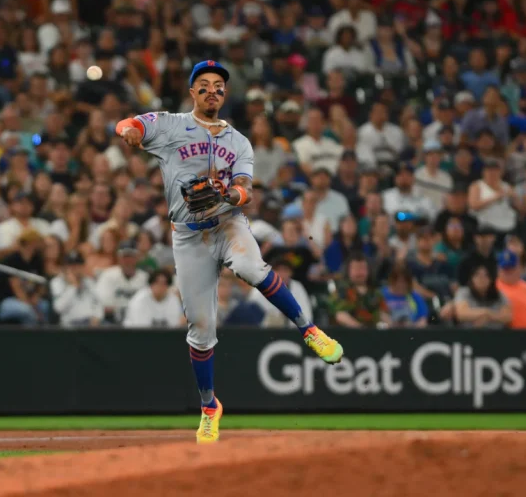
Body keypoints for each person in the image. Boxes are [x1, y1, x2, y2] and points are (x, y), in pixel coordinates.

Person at [115, 60, 343, 444]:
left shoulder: (238, 141)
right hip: (187, 236)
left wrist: (225, 195)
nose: (211, 91)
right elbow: (129, 123)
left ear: (225, 94)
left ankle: (310, 330)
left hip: (227, 222)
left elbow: (246, 190)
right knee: (201, 331)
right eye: (202, 85)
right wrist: (131, 134)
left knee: (254, 268)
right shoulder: (171, 124)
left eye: (218, 85)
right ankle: (209, 407)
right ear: (192, 92)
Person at [50, 251, 104, 328]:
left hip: (90, 324)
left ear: (83, 266)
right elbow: (58, 308)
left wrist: (97, 317)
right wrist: (73, 286)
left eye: (78, 265)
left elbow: (98, 303)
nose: (74, 268)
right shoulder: (57, 282)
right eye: (71, 265)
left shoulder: (89, 282)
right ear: (65, 267)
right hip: (69, 325)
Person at [452, 263, 512, 329]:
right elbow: (461, 314)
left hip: (495, 335)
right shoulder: (463, 292)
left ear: (491, 279)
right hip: (468, 334)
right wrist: (485, 312)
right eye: (477, 275)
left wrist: (489, 316)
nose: (481, 279)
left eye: (485, 275)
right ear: (472, 278)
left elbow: (507, 316)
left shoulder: (499, 294)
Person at [380, 263, 428, 328]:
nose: (401, 285)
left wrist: (413, 327)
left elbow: (423, 321)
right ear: (392, 281)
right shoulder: (381, 295)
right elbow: (378, 315)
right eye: (398, 281)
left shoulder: (415, 297)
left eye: (404, 282)